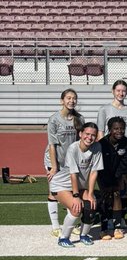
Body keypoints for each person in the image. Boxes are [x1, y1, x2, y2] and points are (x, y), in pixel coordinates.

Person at [54, 122, 102, 247]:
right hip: (62, 185)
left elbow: (93, 172)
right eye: (87, 134)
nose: (89, 137)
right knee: (76, 208)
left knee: (91, 205)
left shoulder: (97, 147)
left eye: (93, 135)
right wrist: (76, 196)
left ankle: (84, 235)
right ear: (80, 134)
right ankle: (63, 238)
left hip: (80, 186)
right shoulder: (73, 148)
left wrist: (90, 194)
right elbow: (73, 174)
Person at [45, 88, 82, 235]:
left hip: (70, 161)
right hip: (55, 160)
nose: (71, 101)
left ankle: (72, 223)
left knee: (72, 189)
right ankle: (55, 227)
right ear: (62, 101)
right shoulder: (54, 119)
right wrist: (54, 167)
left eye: (74, 98)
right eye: (68, 98)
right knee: (53, 191)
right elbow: (52, 145)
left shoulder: (80, 118)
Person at [97, 117, 127, 239]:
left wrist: (118, 179)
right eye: (116, 129)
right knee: (105, 197)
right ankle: (106, 225)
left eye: (122, 129)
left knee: (117, 194)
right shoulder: (102, 144)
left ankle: (117, 226)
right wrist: (106, 181)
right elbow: (99, 164)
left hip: (118, 174)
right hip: (103, 174)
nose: (119, 131)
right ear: (109, 130)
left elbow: (125, 163)